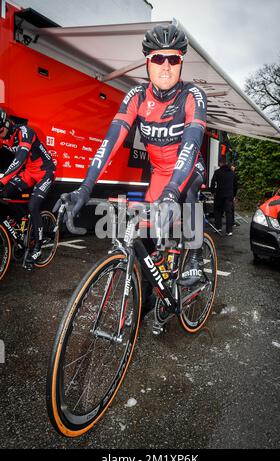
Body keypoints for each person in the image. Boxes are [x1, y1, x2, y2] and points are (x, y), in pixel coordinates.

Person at [56, 24, 207, 313]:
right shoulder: (136, 96)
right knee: (146, 247)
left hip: (186, 169)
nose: (166, 67)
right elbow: (110, 142)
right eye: (158, 59)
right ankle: (151, 298)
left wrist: (173, 192)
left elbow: (190, 143)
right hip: (160, 175)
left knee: (187, 192)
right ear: (147, 62)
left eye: (173, 59)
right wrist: (85, 188)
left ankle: (195, 257)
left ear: (181, 62)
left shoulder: (192, 96)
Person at [0, 108, 55, 262]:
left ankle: (38, 246)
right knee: (4, 194)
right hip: (29, 173)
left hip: (45, 171)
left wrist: (2, 180)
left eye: (0, 130)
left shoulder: (25, 132)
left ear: (6, 123)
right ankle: (21, 224)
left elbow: (19, 159)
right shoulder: (3, 137)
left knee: (33, 205)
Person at [211, 160, 238, 236]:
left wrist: (212, 192)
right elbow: (235, 185)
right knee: (228, 212)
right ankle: (229, 231)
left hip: (219, 194)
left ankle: (218, 227)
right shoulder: (232, 173)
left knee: (217, 211)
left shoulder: (217, 172)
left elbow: (212, 183)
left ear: (220, 164)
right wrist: (234, 195)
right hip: (229, 195)